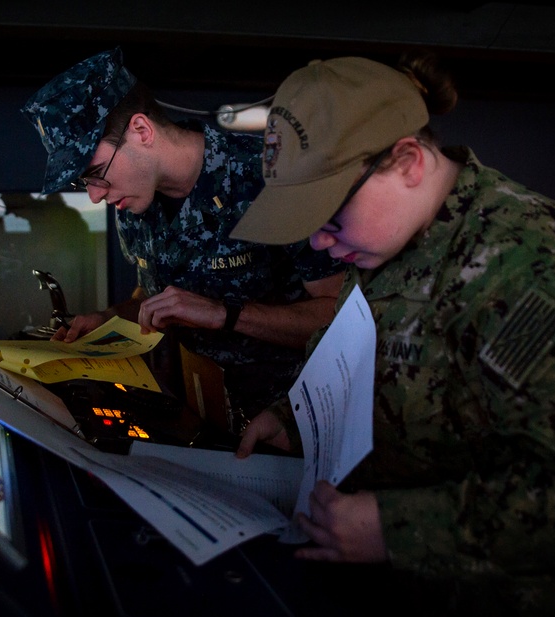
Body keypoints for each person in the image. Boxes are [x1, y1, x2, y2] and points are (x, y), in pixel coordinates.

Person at [229, 52, 555, 617]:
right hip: (408, 615)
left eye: (328, 215)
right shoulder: (384, 241)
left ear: (407, 161)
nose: (318, 243)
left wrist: (391, 528)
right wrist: (290, 413)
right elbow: (370, 355)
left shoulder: (526, 267)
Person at [20, 47, 345, 432]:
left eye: (94, 172)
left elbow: (342, 316)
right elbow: (156, 296)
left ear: (141, 131)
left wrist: (226, 314)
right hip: (206, 414)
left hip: (297, 423)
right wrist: (109, 319)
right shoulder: (132, 202)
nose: (94, 195)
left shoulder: (267, 178)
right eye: (83, 182)